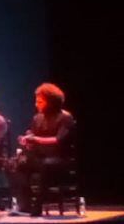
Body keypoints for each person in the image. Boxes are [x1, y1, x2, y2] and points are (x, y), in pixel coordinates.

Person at [9, 83, 76, 216]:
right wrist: (27, 141)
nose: (36, 104)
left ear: (51, 102)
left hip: (60, 158)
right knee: (15, 164)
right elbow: (33, 138)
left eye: (40, 101)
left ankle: (37, 206)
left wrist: (36, 140)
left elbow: (58, 140)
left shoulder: (65, 118)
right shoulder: (37, 118)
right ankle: (25, 205)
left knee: (46, 165)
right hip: (40, 157)